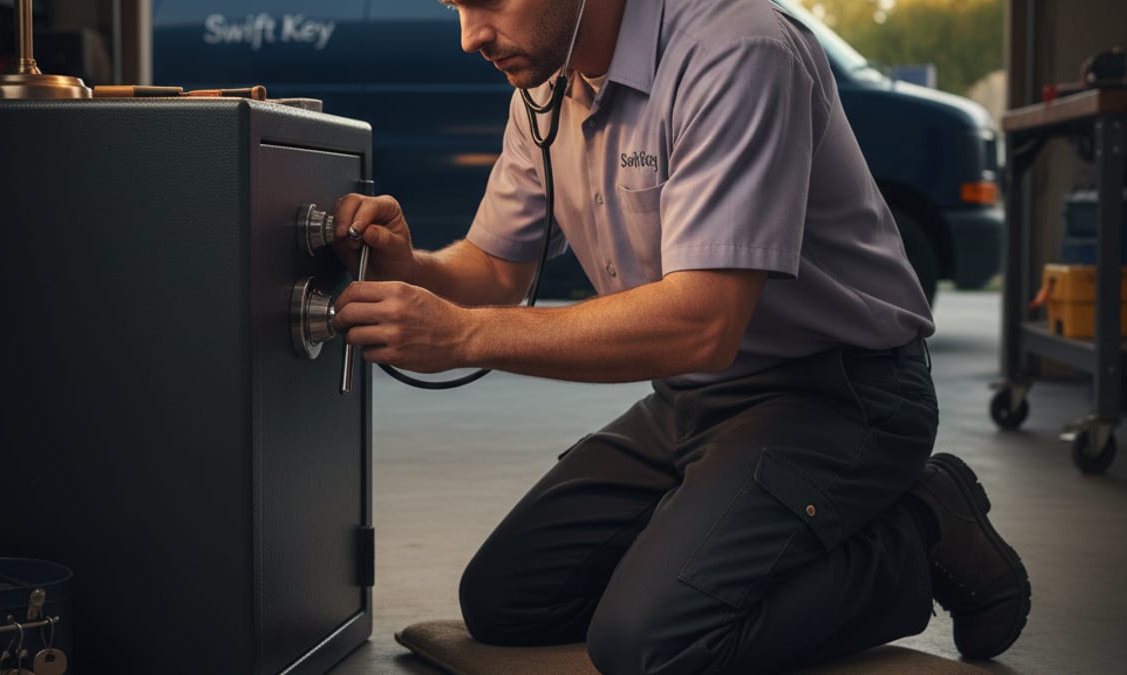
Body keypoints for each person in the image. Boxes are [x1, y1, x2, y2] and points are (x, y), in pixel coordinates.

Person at [330, 0, 1031, 672]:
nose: (469, 36)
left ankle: (922, 532)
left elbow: (703, 325)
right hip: (694, 399)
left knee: (653, 647)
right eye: (453, 6)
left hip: (841, 393)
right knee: (507, 601)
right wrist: (410, 268)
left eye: (487, 1)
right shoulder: (548, 86)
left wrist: (463, 336)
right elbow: (494, 269)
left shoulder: (737, 51)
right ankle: (706, 546)